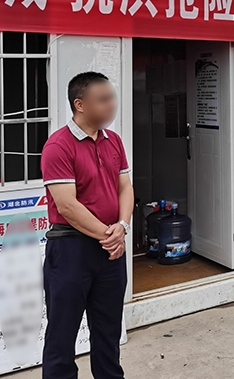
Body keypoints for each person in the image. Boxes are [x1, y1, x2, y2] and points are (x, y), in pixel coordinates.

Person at [40, 72, 134, 379]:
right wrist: (110, 235)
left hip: (110, 249)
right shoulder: (58, 146)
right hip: (71, 249)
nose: (112, 105)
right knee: (62, 335)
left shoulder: (113, 141)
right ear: (80, 104)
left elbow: (125, 187)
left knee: (108, 331)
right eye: (103, 100)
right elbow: (67, 206)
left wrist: (122, 226)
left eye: (112, 98)